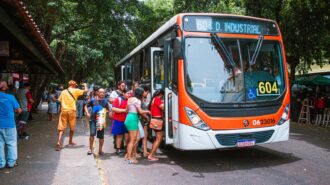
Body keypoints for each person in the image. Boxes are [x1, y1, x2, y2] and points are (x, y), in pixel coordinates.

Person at [55, 80, 87, 151]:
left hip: (64, 111)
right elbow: (85, 91)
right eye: (75, 85)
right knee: (72, 127)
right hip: (72, 111)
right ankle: (70, 141)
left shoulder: (63, 92)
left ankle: (58, 142)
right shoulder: (75, 90)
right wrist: (85, 85)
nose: (76, 86)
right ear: (73, 85)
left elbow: (60, 101)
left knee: (62, 127)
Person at [125, 87, 150, 164]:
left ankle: (129, 155)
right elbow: (140, 111)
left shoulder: (129, 99)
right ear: (140, 93)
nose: (144, 93)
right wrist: (148, 112)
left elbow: (126, 110)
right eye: (143, 92)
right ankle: (129, 158)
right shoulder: (138, 100)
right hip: (133, 118)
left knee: (138, 138)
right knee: (132, 140)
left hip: (129, 117)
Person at [0, 80, 22, 169]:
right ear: (6, 88)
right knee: (11, 143)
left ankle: (1, 164)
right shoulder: (10, 97)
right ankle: (11, 163)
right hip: (9, 124)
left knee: (0, 144)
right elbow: (19, 110)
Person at [85, 88, 109, 155]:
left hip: (101, 120)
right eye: (101, 92)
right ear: (97, 93)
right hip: (93, 119)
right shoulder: (93, 100)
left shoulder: (105, 101)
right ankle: (90, 149)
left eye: (103, 92)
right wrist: (87, 113)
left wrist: (105, 111)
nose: (102, 94)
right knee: (92, 134)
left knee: (101, 136)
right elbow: (86, 106)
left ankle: (100, 150)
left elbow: (107, 109)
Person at [111, 89, 129, 155]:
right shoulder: (118, 99)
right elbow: (113, 108)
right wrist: (124, 110)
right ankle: (118, 149)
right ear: (123, 93)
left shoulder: (130, 100)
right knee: (119, 135)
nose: (129, 95)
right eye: (128, 93)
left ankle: (127, 148)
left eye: (130, 93)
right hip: (118, 120)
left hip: (127, 121)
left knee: (127, 135)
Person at [148, 89, 164, 162]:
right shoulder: (157, 99)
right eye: (162, 95)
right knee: (158, 139)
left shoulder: (153, 99)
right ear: (160, 94)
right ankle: (151, 155)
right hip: (157, 121)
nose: (162, 97)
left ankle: (152, 154)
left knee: (158, 138)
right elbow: (162, 107)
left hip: (155, 120)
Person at [137, 85, 151, 157]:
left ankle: (145, 151)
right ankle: (131, 154)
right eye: (146, 92)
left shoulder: (141, 99)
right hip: (141, 120)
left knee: (144, 136)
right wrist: (147, 116)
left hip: (143, 121)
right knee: (139, 137)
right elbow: (140, 112)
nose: (147, 94)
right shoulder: (139, 101)